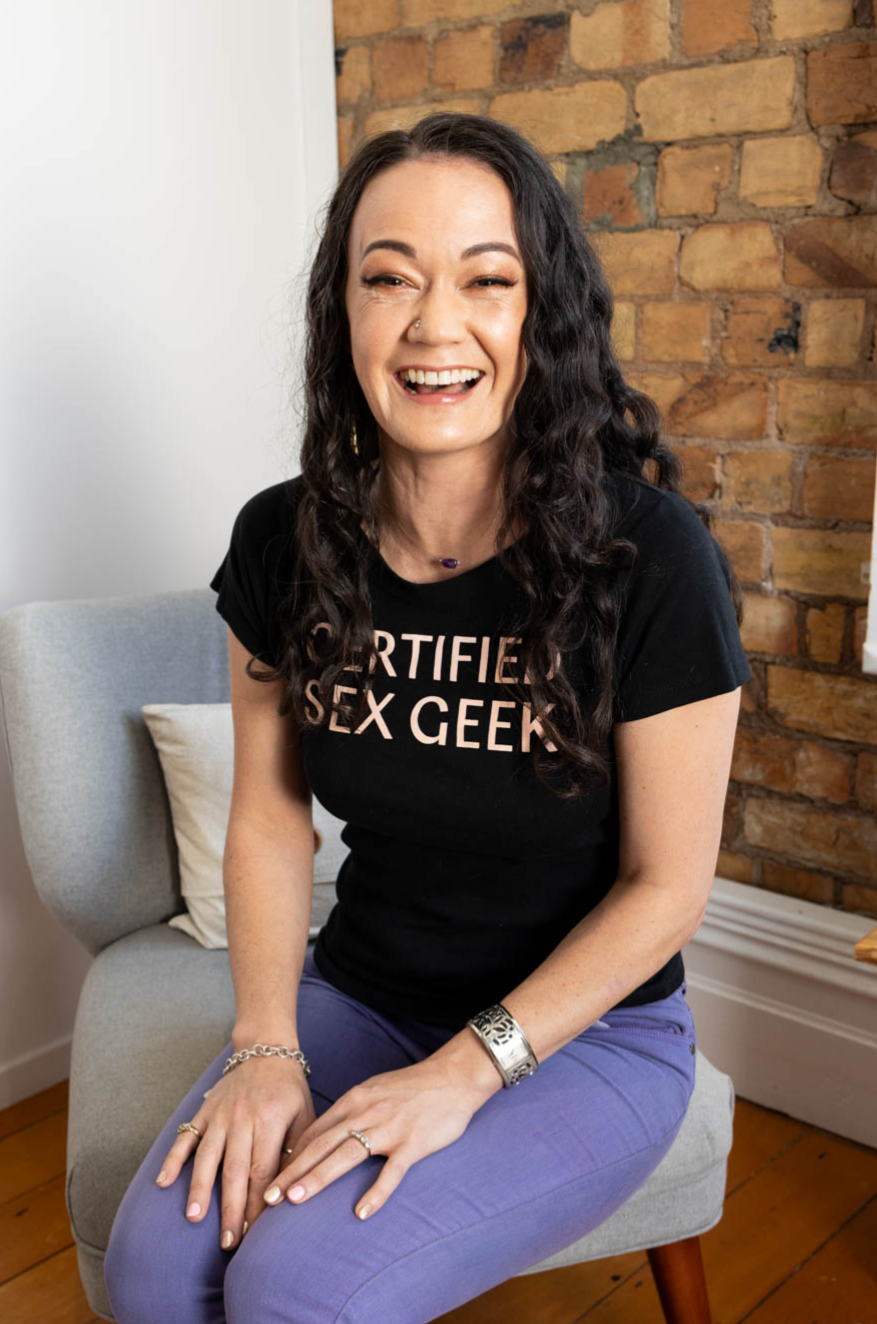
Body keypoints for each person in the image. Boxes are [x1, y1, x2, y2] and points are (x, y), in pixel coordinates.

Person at [103, 111, 751, 1324]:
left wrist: (463, 1071)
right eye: (387, 278)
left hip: (593, 1037)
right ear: (340, 314)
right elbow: (267, 817)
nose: (433, 325)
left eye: (485, 282)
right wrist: (262, 1045)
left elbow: (667, 887)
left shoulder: (653, 561)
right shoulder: (282, 544)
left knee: (294, 1284)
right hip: (362, 993)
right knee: (153, 1273)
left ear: (538, 315)